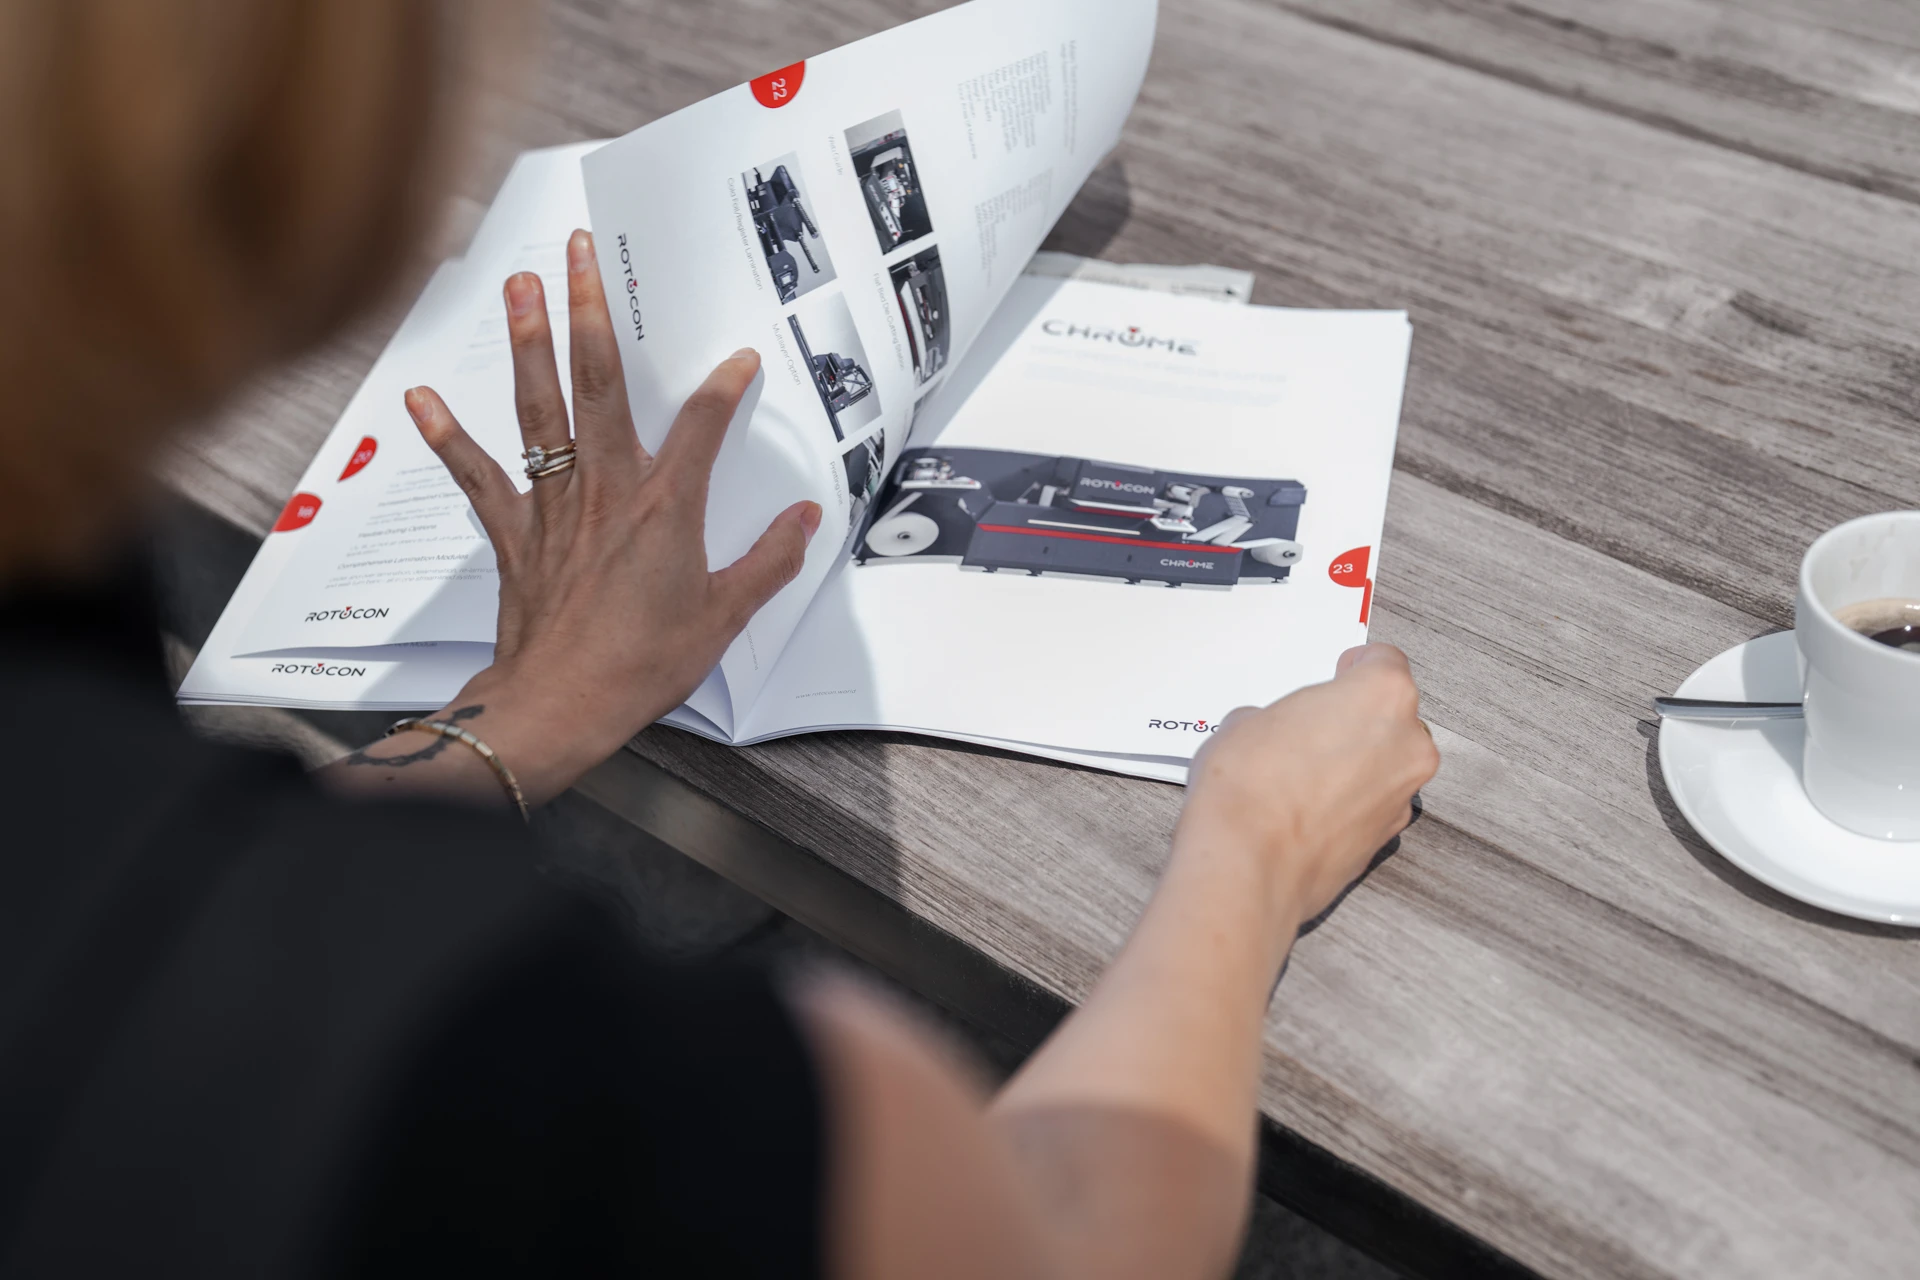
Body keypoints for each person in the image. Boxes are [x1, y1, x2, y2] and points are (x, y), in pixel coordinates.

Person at [0, 2, 1439, 1276]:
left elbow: (147, 902)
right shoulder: (497, 1075)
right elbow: (1069, 1235)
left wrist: (514, 717)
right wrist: (1254, 845)